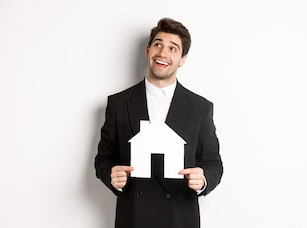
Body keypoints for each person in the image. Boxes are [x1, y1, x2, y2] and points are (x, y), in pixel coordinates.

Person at [94, 18, 223, 228]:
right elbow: (103, 159)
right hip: (133, 218)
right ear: (147, 51)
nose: (163, 53)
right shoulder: (118, 103)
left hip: (180, 217)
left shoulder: (200, 108)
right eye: (158, 44)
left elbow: (213, 163)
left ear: (182, 59)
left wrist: (204, 179)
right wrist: (111, 174)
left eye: (173, 48)